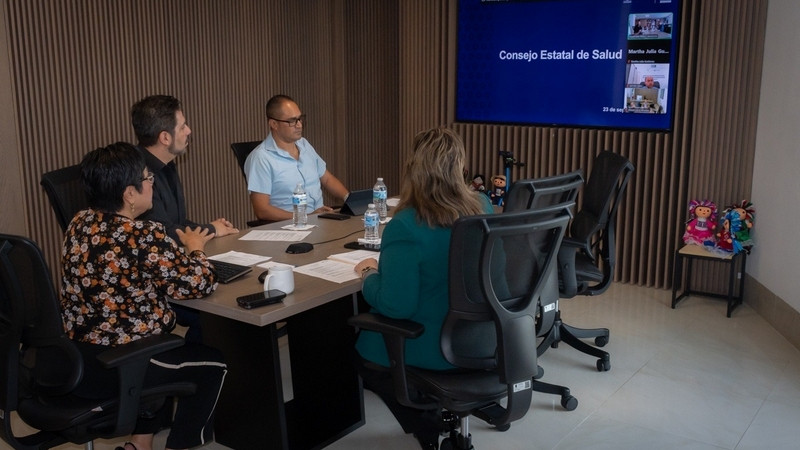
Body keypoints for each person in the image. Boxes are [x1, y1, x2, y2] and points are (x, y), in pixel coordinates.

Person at [60, 142, 227, 450]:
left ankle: (140, 444)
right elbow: (200, 283)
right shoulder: (145, 235)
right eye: (148, 178)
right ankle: (183, 444)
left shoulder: (78, 222)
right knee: (213, 363)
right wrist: (196, 249)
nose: (152, 183)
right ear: (129, 194)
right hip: (125, 363)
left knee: (162, 339)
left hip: (80, 359)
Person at [352, 127, 493, 449]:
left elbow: (396, 306)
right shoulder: (482, 206)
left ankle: (425, 423)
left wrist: (368, 276)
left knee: (362, 350)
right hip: (482, 339)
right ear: (461, 167)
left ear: (414, 170)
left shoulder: (405, 225)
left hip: (431, 344)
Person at [130, 95, 239, 241]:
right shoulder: (138, 174)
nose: (188, 130)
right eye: (182, 127)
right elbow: (161, 232)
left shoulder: (167, 163)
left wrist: (212, 228)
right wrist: (212, 229)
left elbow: (178, 223)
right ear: (165, 138)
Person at [244, 94, 349, 222]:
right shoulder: (261, 158)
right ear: (274, 124)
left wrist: (348, 198)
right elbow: (262, 210)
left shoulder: (304, 145)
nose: (299, 125)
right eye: (292, 121)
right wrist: (305, 217)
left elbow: (327, 179)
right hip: (289, 228)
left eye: (300, 119)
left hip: (321, 221)